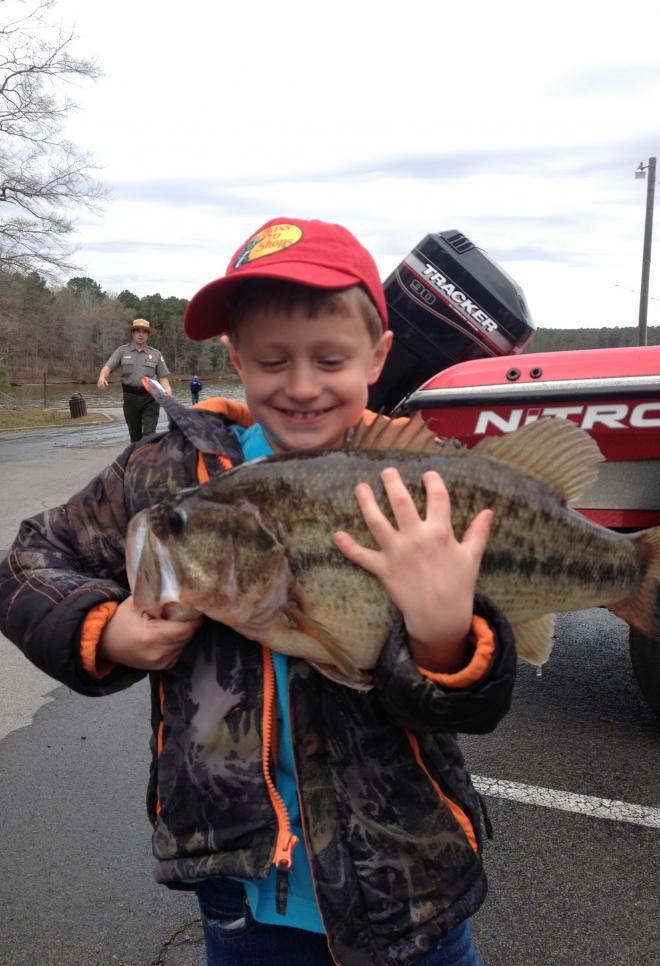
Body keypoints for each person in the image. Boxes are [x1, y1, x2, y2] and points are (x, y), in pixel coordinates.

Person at [0, 217, 516, 965]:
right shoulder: (164, 475)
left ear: (377, 357)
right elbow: (26, 563)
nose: (301, 385)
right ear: (236, 357)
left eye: (330, 359)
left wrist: (443, 639)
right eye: (273, 360)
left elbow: (478, 706)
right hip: (241, 891)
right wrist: (105, 630)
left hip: (413, 886)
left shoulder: (419, 486)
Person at [97, 318, 173, 442]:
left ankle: (147, 453)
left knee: (149, 435)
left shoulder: (156, 354)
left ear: (148, 335)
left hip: (150, 398)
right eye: (138, 331)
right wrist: (102, 377)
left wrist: (167, 390)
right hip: (130, 398)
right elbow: (107, 367)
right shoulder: (122, 351)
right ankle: (137, 453)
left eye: (144, 332)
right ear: (132, 333)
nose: (141, 334)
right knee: (135, 437)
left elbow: (163, 377)